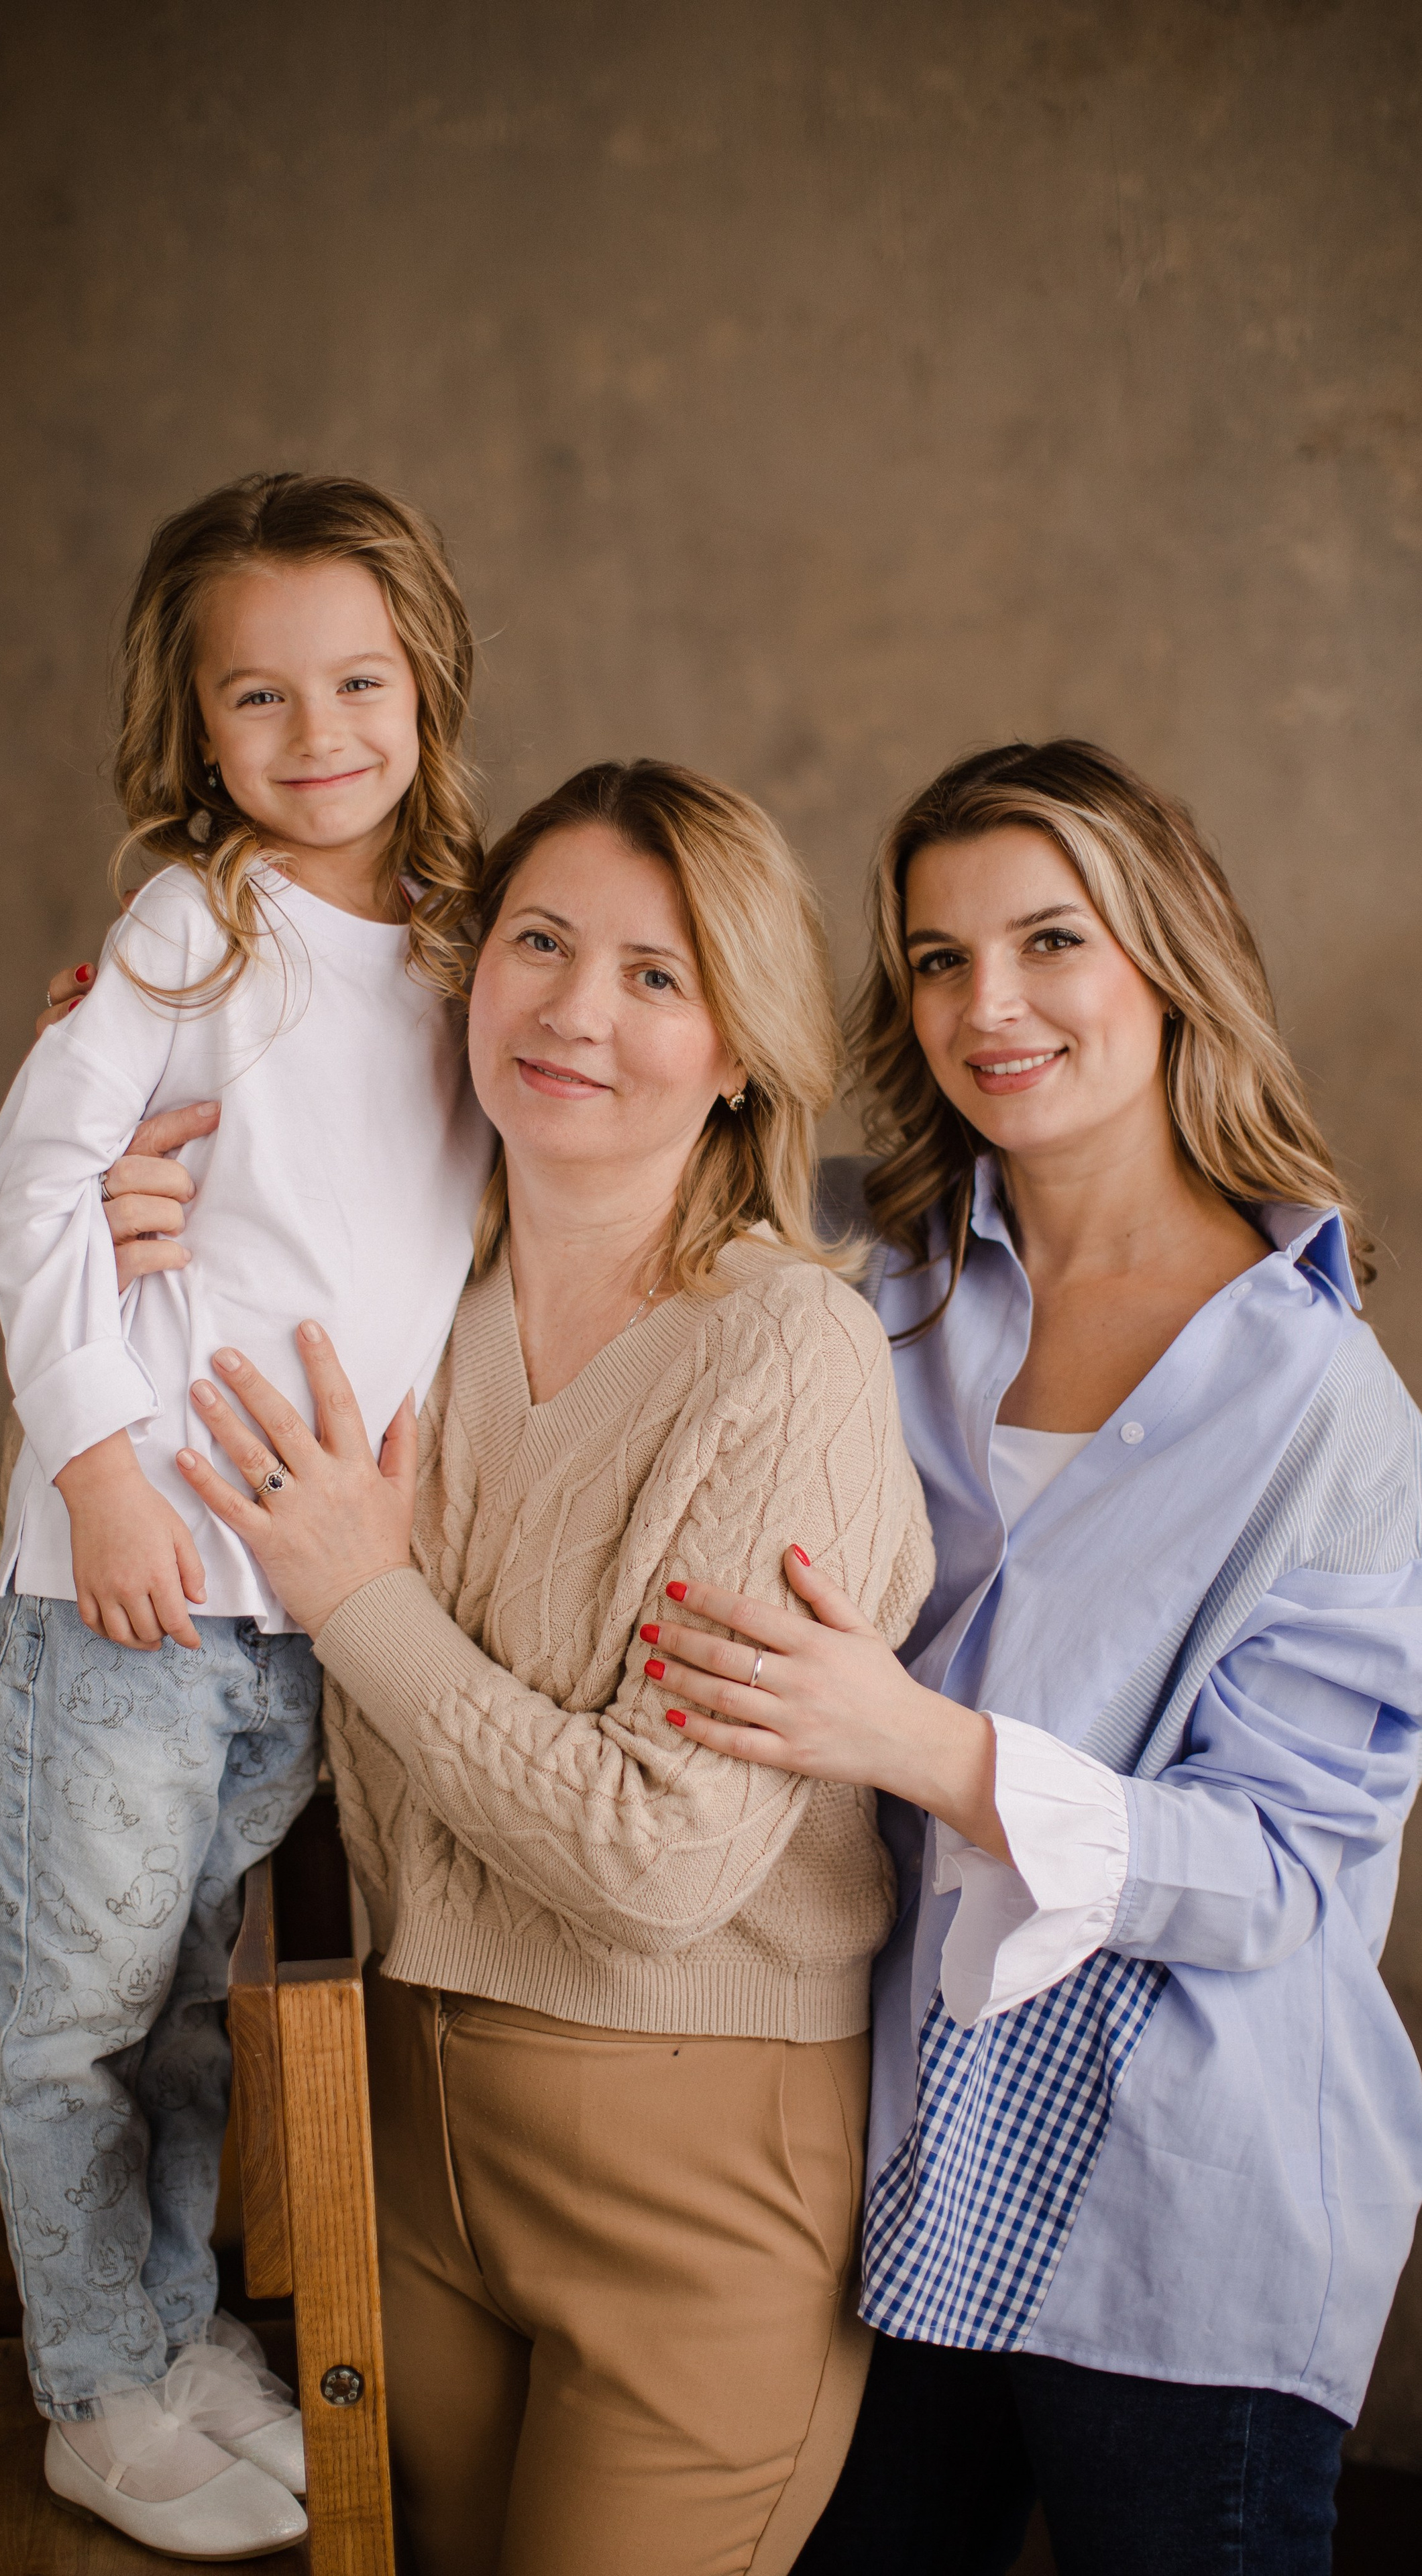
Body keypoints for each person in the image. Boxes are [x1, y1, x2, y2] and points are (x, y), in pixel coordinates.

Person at [139, 758, 934, 2576]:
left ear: (740, 1046)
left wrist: (368, 1601)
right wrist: (122, 1165)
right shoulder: (412, 1300)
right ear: (467, 973)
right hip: (402, 2137)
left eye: (658, 975)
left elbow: (662, 1862)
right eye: (543, 943)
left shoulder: (785, 1356)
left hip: (694, 2173)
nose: (579, 1009)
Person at [647, 739, 1422, 2576]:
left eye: (1049, 941)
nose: (987, 1006)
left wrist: (918, 1742)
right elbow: (574, 1177)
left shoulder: (1324, 1407)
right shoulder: (873, 1296)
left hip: (1180, 2193)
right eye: (934, 957)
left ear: (1168, 958)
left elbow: (1284, 1878)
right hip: (880, 2162)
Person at [0, 469, 491, 2557]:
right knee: (80, 2011)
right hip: (137, 1575)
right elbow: (42, 1180)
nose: (319, 737)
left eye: (357, 682)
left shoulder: (468, 944)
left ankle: (173, 2336)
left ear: (425, 684)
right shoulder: (205, 922)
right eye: (261, 698)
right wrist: (102, 1468)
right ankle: (93, 2388)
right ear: (198, 724)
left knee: (192, 1995)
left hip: (301, 1598)